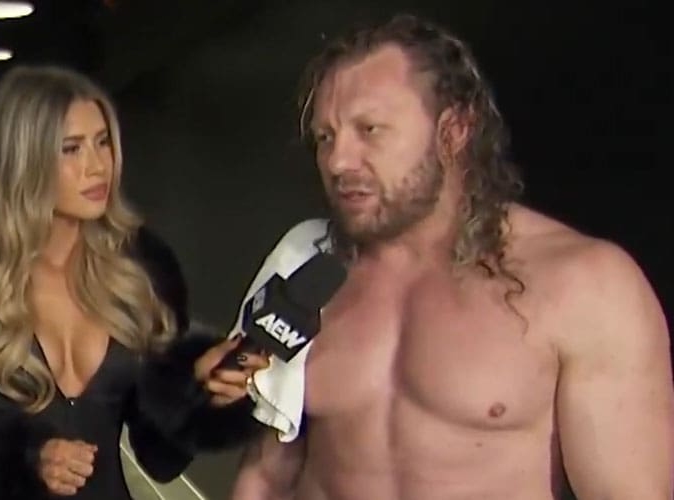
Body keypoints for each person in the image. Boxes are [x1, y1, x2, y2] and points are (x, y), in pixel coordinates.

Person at [231, 12, 674, 500]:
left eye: (370, 129)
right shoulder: (304, 268)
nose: (338, 161)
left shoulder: (585, 284)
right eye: (325, 137)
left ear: (454, 130)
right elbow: (264, 476)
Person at [0, 65, 267, 500]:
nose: (97, 166)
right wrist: (23, 458)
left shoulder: (143, 276)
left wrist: (198, 393)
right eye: (71, 149)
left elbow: (159, 460)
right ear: (25, 160)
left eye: (103, 142)